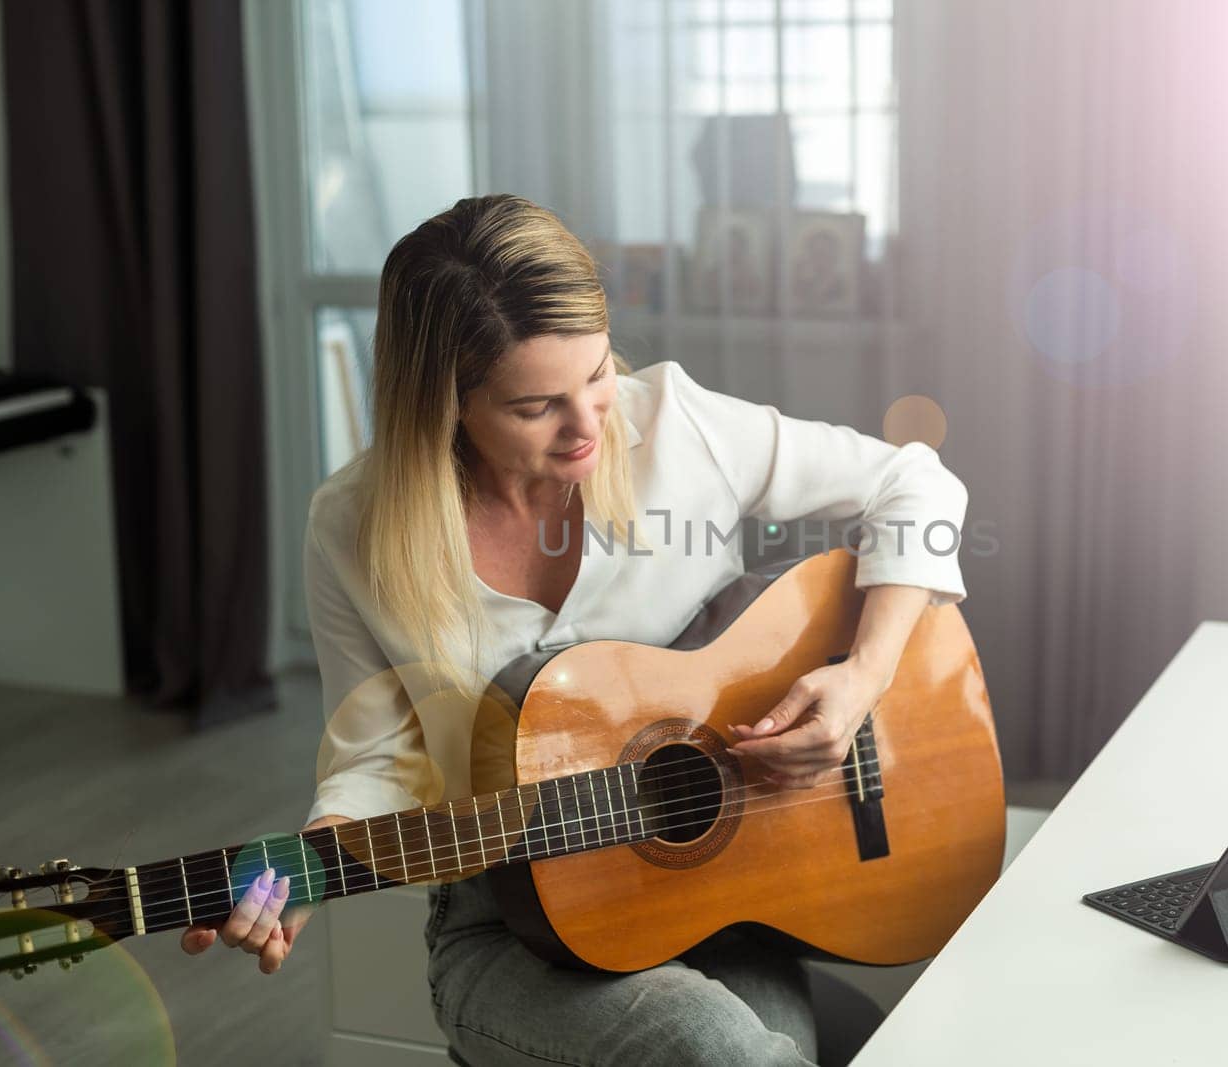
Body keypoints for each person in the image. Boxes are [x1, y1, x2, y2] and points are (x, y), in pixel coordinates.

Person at [178, 194, 969, 1065]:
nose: (591, 425)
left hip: (733, 883)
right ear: (445, 402)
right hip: (516, 921)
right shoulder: (353, 527)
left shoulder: (675, 425)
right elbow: (377, 757)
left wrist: (861, 676)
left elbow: (916, 484)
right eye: (535, 405)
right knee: (719, 1050)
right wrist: (307, 867)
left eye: (595, 373)